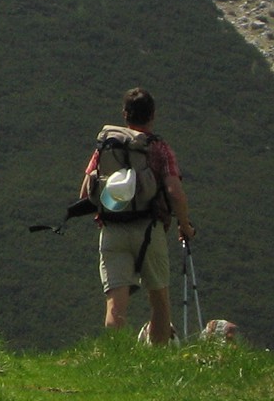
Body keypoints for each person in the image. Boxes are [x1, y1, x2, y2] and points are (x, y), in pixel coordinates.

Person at [79, 87, 194, 345]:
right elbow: (175, 191)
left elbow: (86, 190)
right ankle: (158, 356)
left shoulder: (107, 146)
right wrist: (184, 225)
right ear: (152, 115)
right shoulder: (159, 148)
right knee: (159, 299)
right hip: (148, 230)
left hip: (112, 230)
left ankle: (115, 359)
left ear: (124, 114)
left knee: (115, 304)